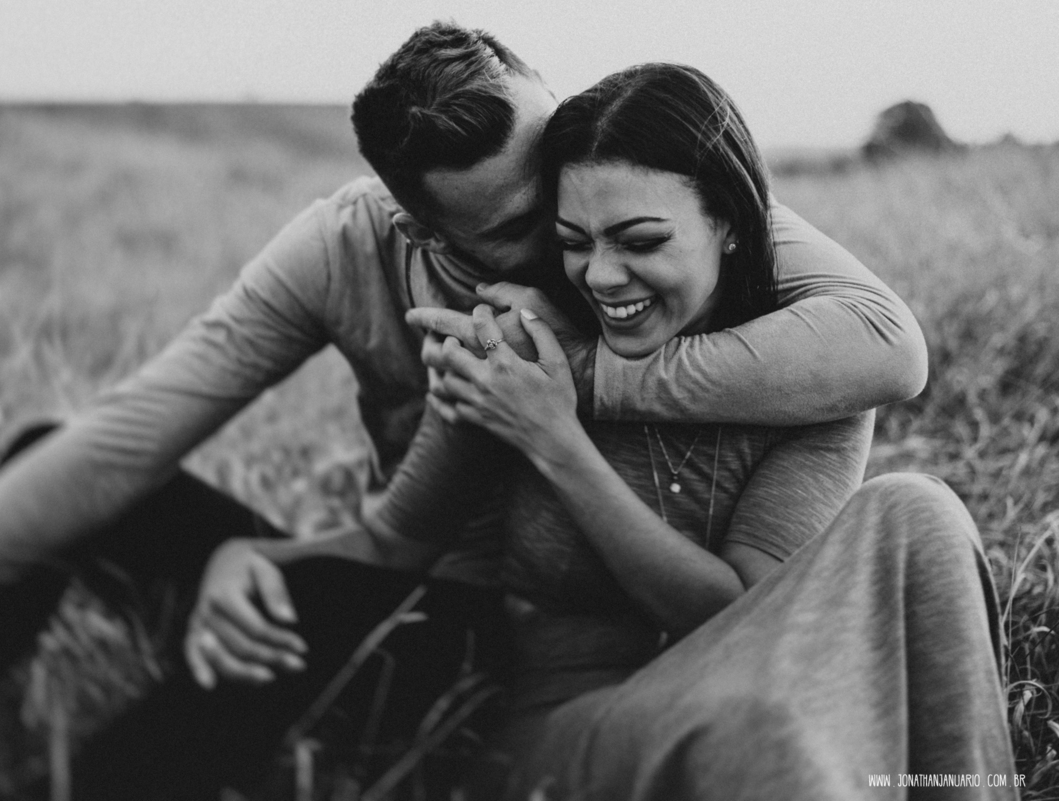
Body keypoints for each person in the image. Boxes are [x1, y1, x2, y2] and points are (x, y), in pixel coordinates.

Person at [0, 23, 928, 800]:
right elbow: (144, 436)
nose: (574, 243)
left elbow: (885, 341)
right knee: (63, 466)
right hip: (424, 581)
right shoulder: (352, 248)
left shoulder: (621, 198)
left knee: (297, 623)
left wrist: (578, 382)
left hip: (519, 640)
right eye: (526, 229)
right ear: (423, 230)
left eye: (561, 182)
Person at [414, 62, 1015, 800]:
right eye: (574, 241)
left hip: (750, 687)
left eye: (640, 240)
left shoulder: (811, 377)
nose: (600, 275)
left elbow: (740, 613)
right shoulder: (524, 355)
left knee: (919, 507)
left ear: (729, 224)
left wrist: (558, 441)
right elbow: (405, 534)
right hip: (572, 722)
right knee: (756, 725)